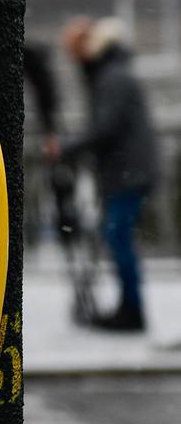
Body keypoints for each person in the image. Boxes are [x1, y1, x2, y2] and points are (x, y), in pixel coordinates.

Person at [61, 17, 159, 332]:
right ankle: (129, 308)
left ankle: (132, 311)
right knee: (118, 238)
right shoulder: (113, 74)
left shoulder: (111, 78)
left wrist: (68, 147)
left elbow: (105, 128)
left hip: (127, 173)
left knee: (118, 237)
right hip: (129, 171)